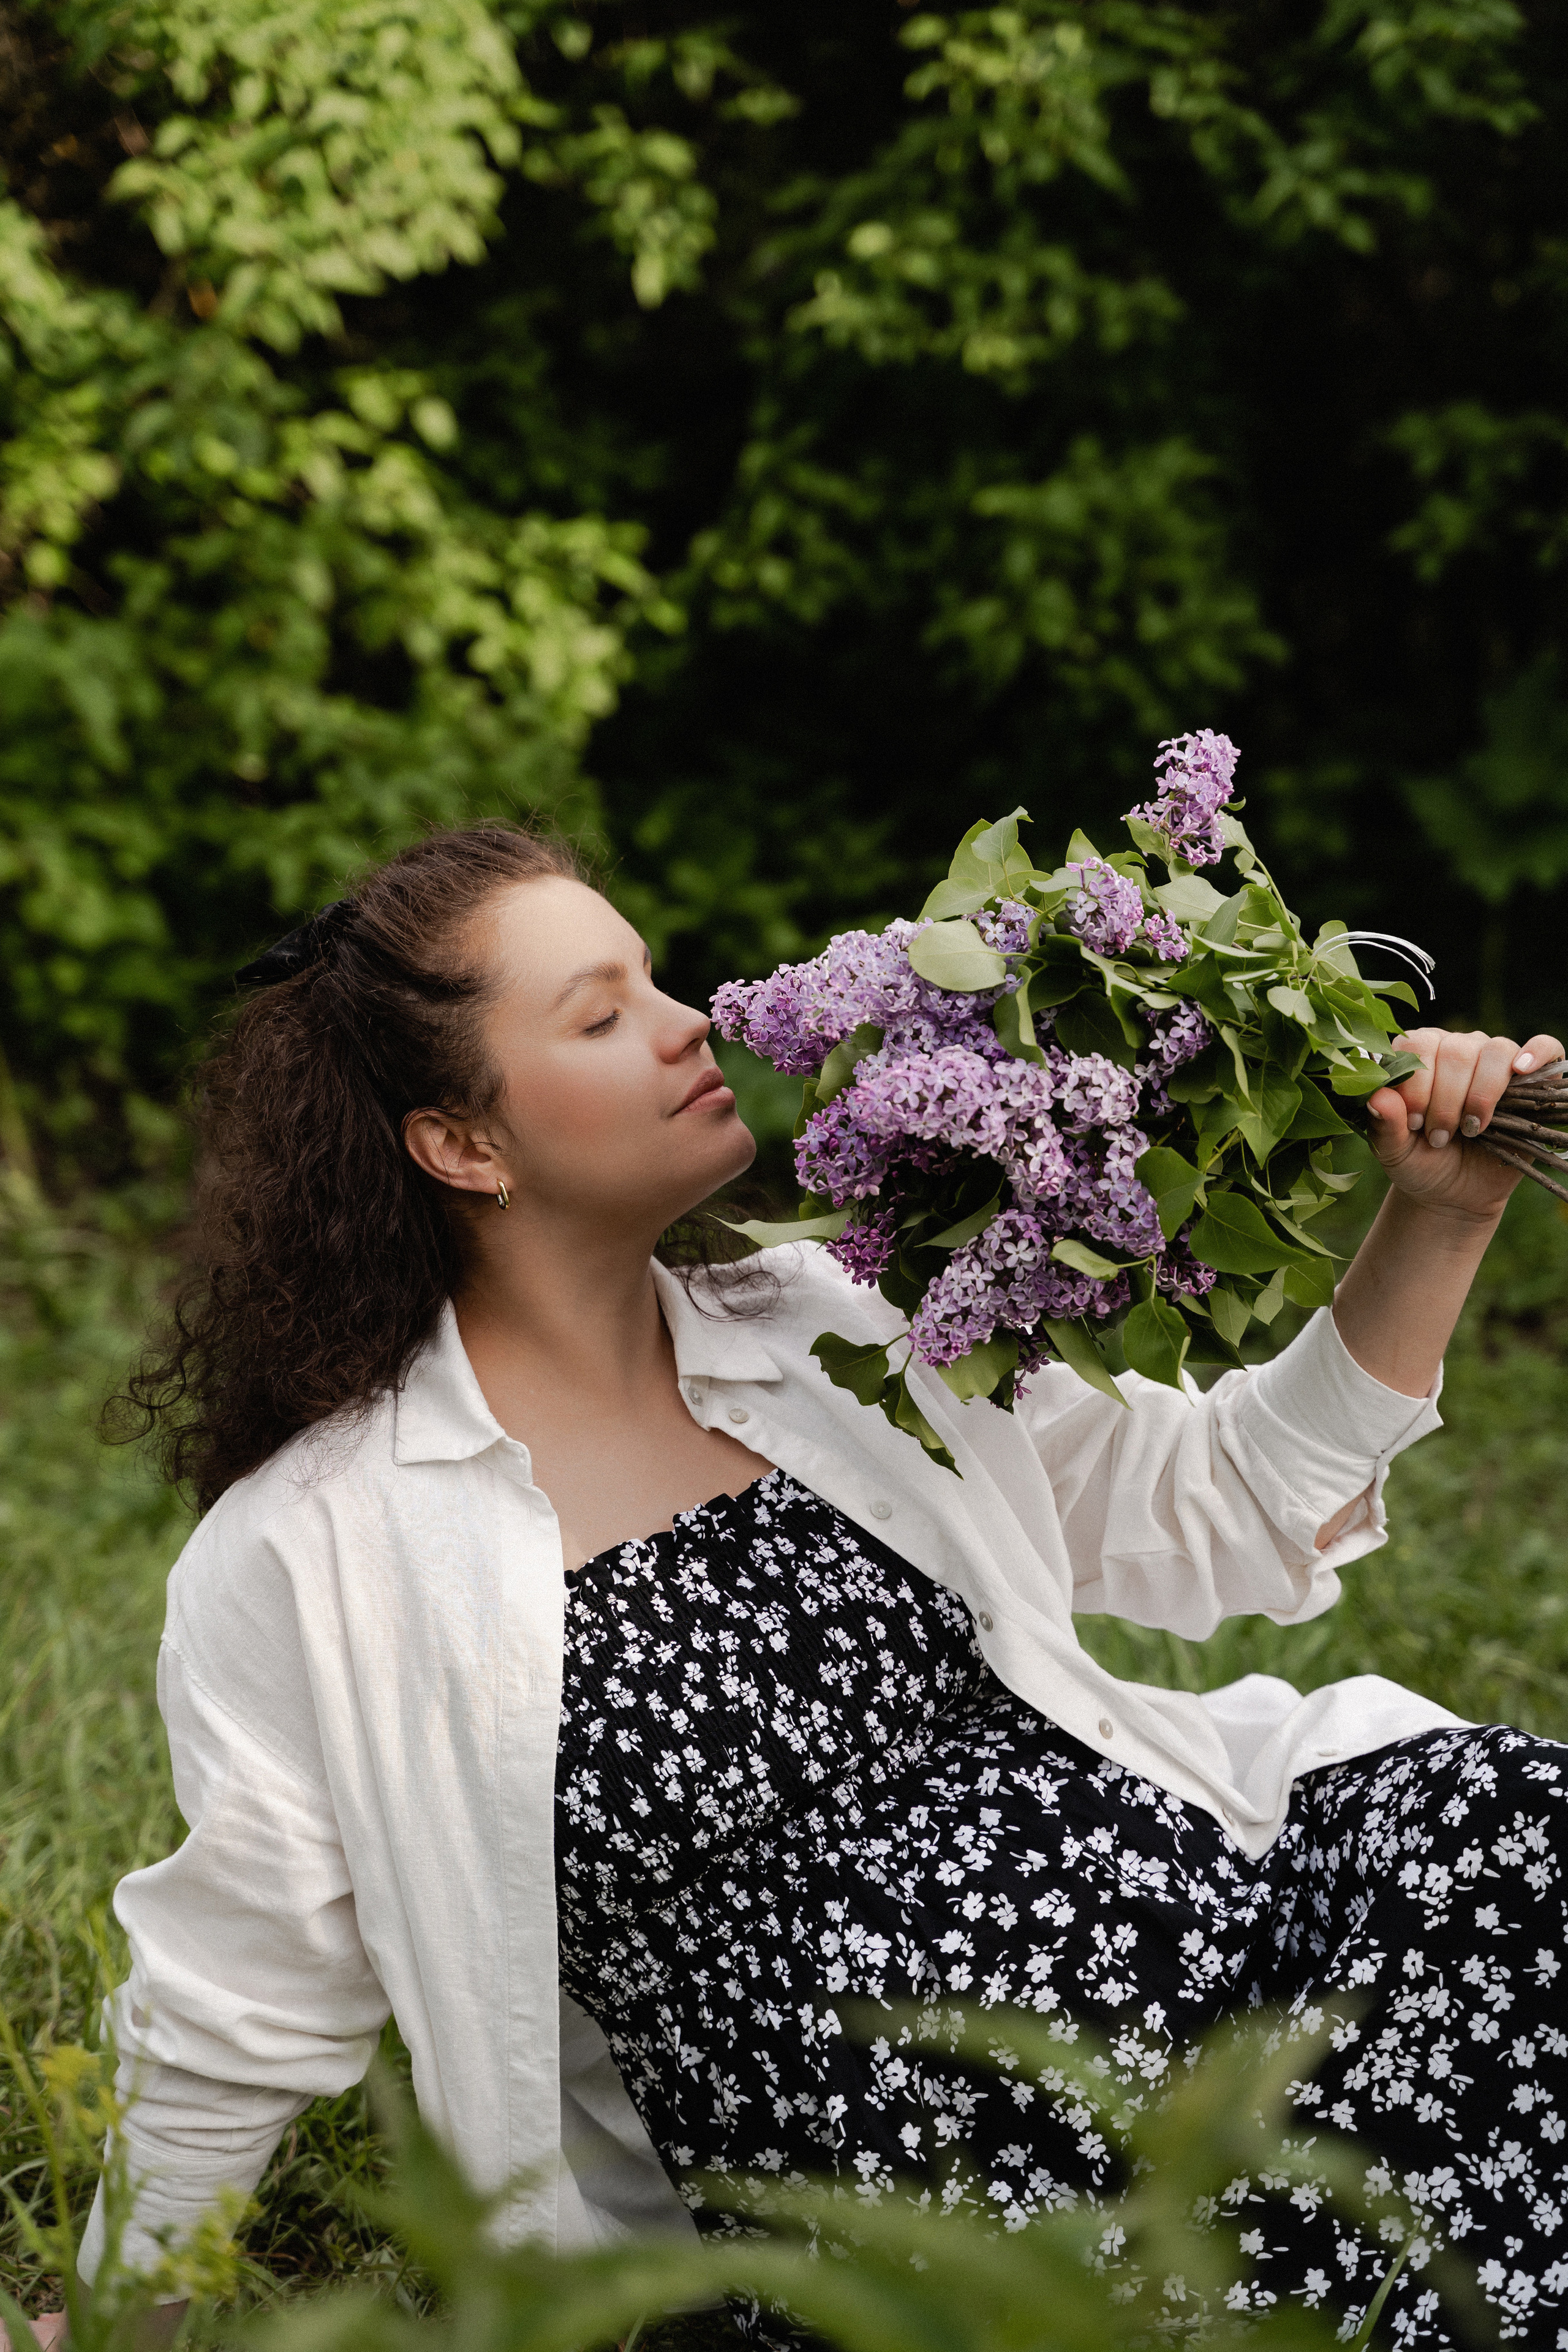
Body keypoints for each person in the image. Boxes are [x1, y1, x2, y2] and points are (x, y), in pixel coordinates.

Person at [25, 823, 1568, 2346]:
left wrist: (1439, 1212)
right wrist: (115, 2330)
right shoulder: (320, 1549)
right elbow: (236, 2015)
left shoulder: (827, 1319)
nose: (687, 1018)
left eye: (648, 976)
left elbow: (1224, 1501)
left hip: (1235, 1955)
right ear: (461, 1142)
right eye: (599, 1012)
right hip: (924, 2193)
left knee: (1513, 1844)